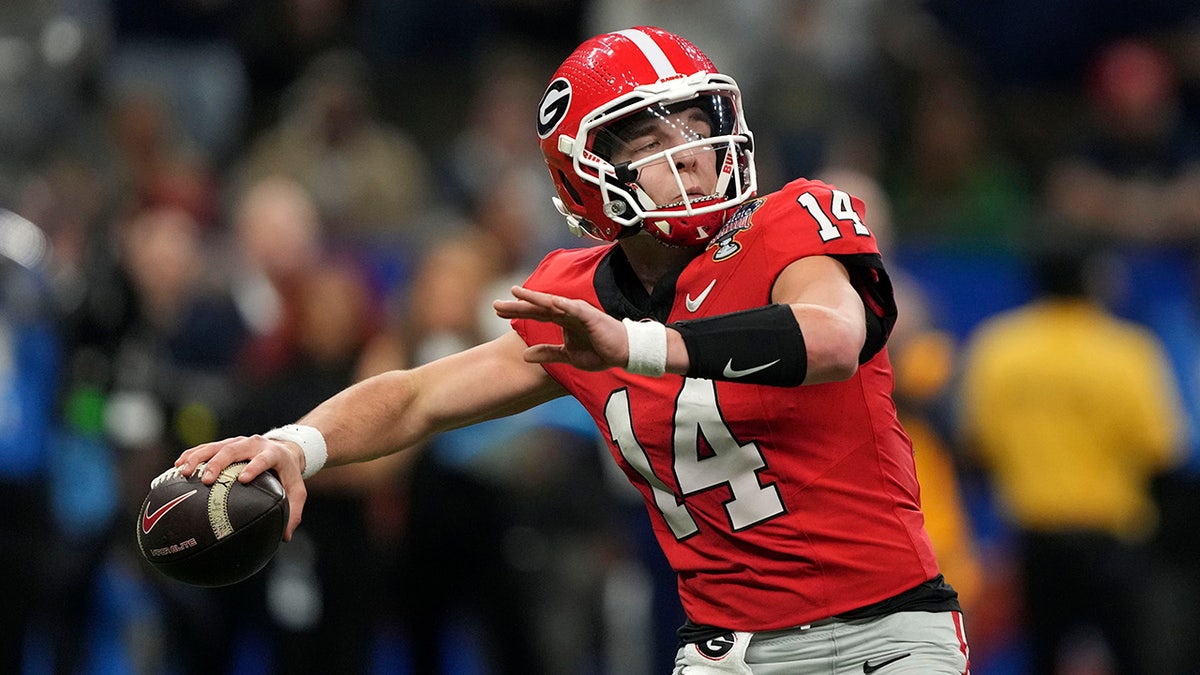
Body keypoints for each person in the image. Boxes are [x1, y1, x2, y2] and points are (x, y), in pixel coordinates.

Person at [174, 26, 970, 674]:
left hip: (884, 636)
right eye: (653, 132)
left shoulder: (793, 223)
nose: (691, 147)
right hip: (726, 652)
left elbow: (832, 338)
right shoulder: (579, 295)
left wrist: (634, 345)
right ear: (587, 174)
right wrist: (293, 445)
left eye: (697, 120)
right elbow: (417, 395)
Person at [958, 235, 1186, 674]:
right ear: (1093, 278)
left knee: (1041, 659)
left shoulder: (998, 347)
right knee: (1136, 659)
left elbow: (976, 450)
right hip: (1114, 541)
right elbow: (1162, 452)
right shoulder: (1127, 351)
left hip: (1036, 542)